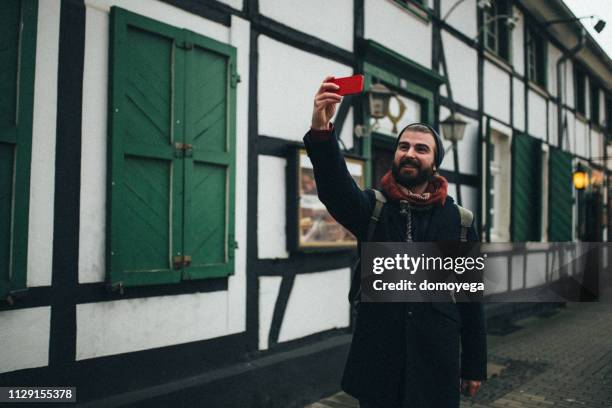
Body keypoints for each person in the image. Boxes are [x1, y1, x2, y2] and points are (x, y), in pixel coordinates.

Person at [303, 76, 487, 408]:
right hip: (380, 367)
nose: (410, 154)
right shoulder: (372, 208)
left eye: (421, 148)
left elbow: (471, 303)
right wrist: (321, 129)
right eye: (404, 146)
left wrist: (474, 365)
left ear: (434, 162)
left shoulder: (460, 221)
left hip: (437, 365)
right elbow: (333, 186)